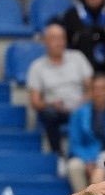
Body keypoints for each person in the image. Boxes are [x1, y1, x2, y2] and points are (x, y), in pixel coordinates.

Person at [27, 23, 94, 165]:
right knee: (48, 113)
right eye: (53, 38)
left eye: (61, 38)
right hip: (57, 111)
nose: (59, 42)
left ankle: (95, 156)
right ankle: (58, 156)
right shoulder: (37, 67)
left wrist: (82, 102)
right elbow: (35, 102)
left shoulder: (77, 57)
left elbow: (92, 88)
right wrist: (51, 104)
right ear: (45, 42)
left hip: (81, 107)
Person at [66, 74, 105, 190]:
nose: (98, 93)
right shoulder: (78, 114)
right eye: (95, 89)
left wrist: (101, 162)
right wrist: (88, 161)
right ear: (90, 92)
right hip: (86, 155)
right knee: (73, 165)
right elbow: (74, 144)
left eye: (102, 89)